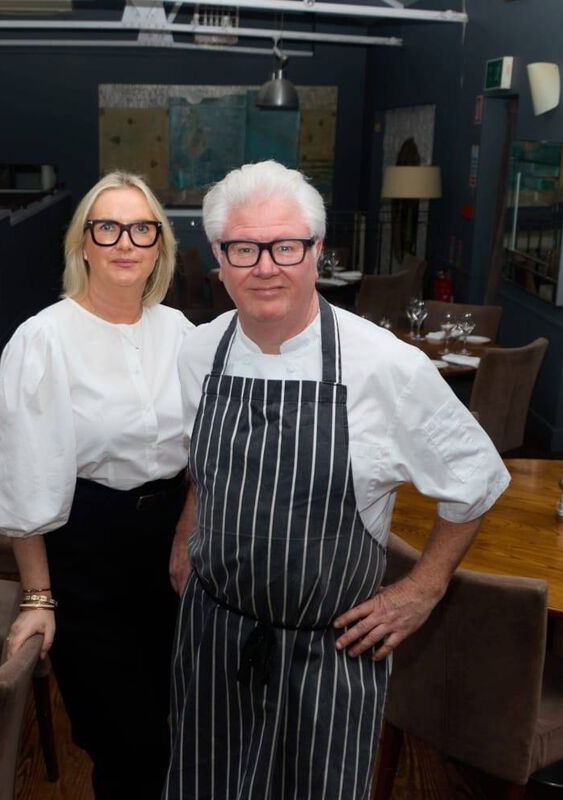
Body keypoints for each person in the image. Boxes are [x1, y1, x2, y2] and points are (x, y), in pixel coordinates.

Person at [166, 160, 510, 798]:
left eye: (286, 246)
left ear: (317, 252)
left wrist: (424, 589)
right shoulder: (198, 351)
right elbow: (203, 456)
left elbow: (477, 477)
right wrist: (189, 528)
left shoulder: (386, 366)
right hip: (212, 635)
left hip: (331, 653)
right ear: (218, 256)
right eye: (244, 248)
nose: (266, 266)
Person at [0, 171, 192, 798]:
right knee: (123, 743)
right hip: (89, 550)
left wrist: (188, 528)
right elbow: (24, 476)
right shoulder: (44, 339)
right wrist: (39, 598)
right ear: (84, 245)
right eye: (108, 227)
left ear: (159, 245)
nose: (125, 241)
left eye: (141, 228)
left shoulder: (182, 333)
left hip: (176, 559)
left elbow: (207, 447)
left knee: (172, 728)